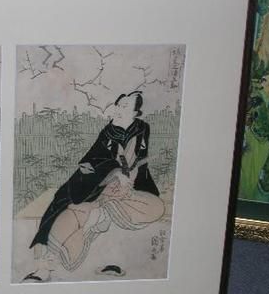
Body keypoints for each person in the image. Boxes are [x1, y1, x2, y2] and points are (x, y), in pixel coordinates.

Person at [24, 91, 165, 282]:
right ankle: (46, 264)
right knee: (70, 211)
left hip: (126, 191)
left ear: (135, 113)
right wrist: (113, 173)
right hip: (95, 186)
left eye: (125, 106)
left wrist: (128, 178)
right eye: (118, 105)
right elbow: (89, 162)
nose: (119, 109)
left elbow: (139, 161)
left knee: (156, 206)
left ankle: (104, 218)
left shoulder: (142, 128)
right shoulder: (108, 133)